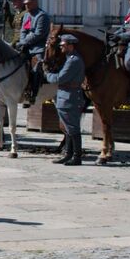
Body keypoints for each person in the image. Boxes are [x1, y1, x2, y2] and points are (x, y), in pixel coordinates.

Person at [45, 34, 86, 166]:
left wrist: (47, 74)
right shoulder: (69, 59)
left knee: (73, 128)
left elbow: (60, 79)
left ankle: (76, 156)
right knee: (68, 128)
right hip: (65, 96)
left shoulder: (74, 61)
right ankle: (68, 154)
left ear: (71, 46)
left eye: (63, 45)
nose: (61, 47)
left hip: (70, 97)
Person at [17, 0, 51, 102]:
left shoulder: (42, 16)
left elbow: (38, 34)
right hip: (26, 47)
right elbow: (23, 30)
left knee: (37, 68)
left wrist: (24, 42)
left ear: (35, 2)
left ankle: (33, 93)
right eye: (25, 4)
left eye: (29, 4)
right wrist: (22, 42)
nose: (26, 6)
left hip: (39, 48)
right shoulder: (27, 15)